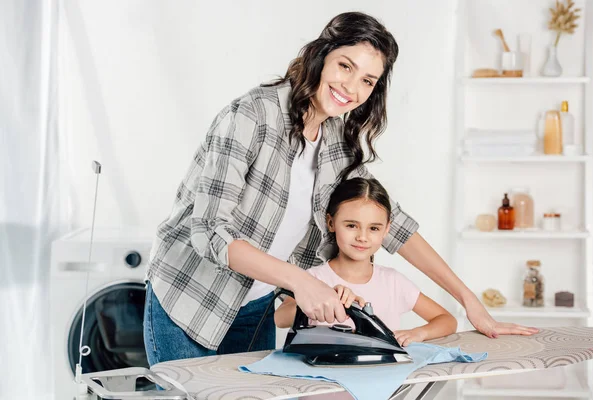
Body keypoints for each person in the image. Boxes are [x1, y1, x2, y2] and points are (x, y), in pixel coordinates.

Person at [143, 11, 538, 366]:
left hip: (255, 308)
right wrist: (302, 282)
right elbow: (210, 232)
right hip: (190, 299)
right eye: (344, 66)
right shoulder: (252, 116)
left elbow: (393, 224)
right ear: (320, 56)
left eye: (367, 80)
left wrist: (469, 301)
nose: (351, 87)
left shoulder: (338, 141)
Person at [274, 177, 458, 347]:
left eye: (373, 228)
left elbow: (447, 320)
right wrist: (322, 296)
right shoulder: (313, 278)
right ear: (331, 223)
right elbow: (280, 318)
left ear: (386, 230)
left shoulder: (393, 282)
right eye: (351, 226)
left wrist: (418, 333)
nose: (362, 237)